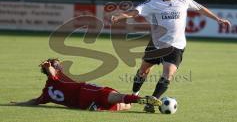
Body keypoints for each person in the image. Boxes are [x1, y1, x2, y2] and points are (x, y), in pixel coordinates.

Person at [111, 0, 231, 113]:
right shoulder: (153, 3)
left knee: (168, 74)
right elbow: (135, 12)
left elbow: (200, 8)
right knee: (143, 70)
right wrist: (120, 16)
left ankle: (152, 101)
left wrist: (218, 19)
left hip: (176, 46)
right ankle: (134, 95)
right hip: (156, 45)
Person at [10, 58, 161, 111]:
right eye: (58, 64)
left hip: (81, 104)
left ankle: (99, 108)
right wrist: (48, 65)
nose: (60, 66)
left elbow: (35, 101)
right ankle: (143, 99)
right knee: (117, 96)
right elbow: (51, 72)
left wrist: (18, 103)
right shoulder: (57, 77)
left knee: (121, 105)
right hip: (86, 90)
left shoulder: (46, 93)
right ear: (55, 68)